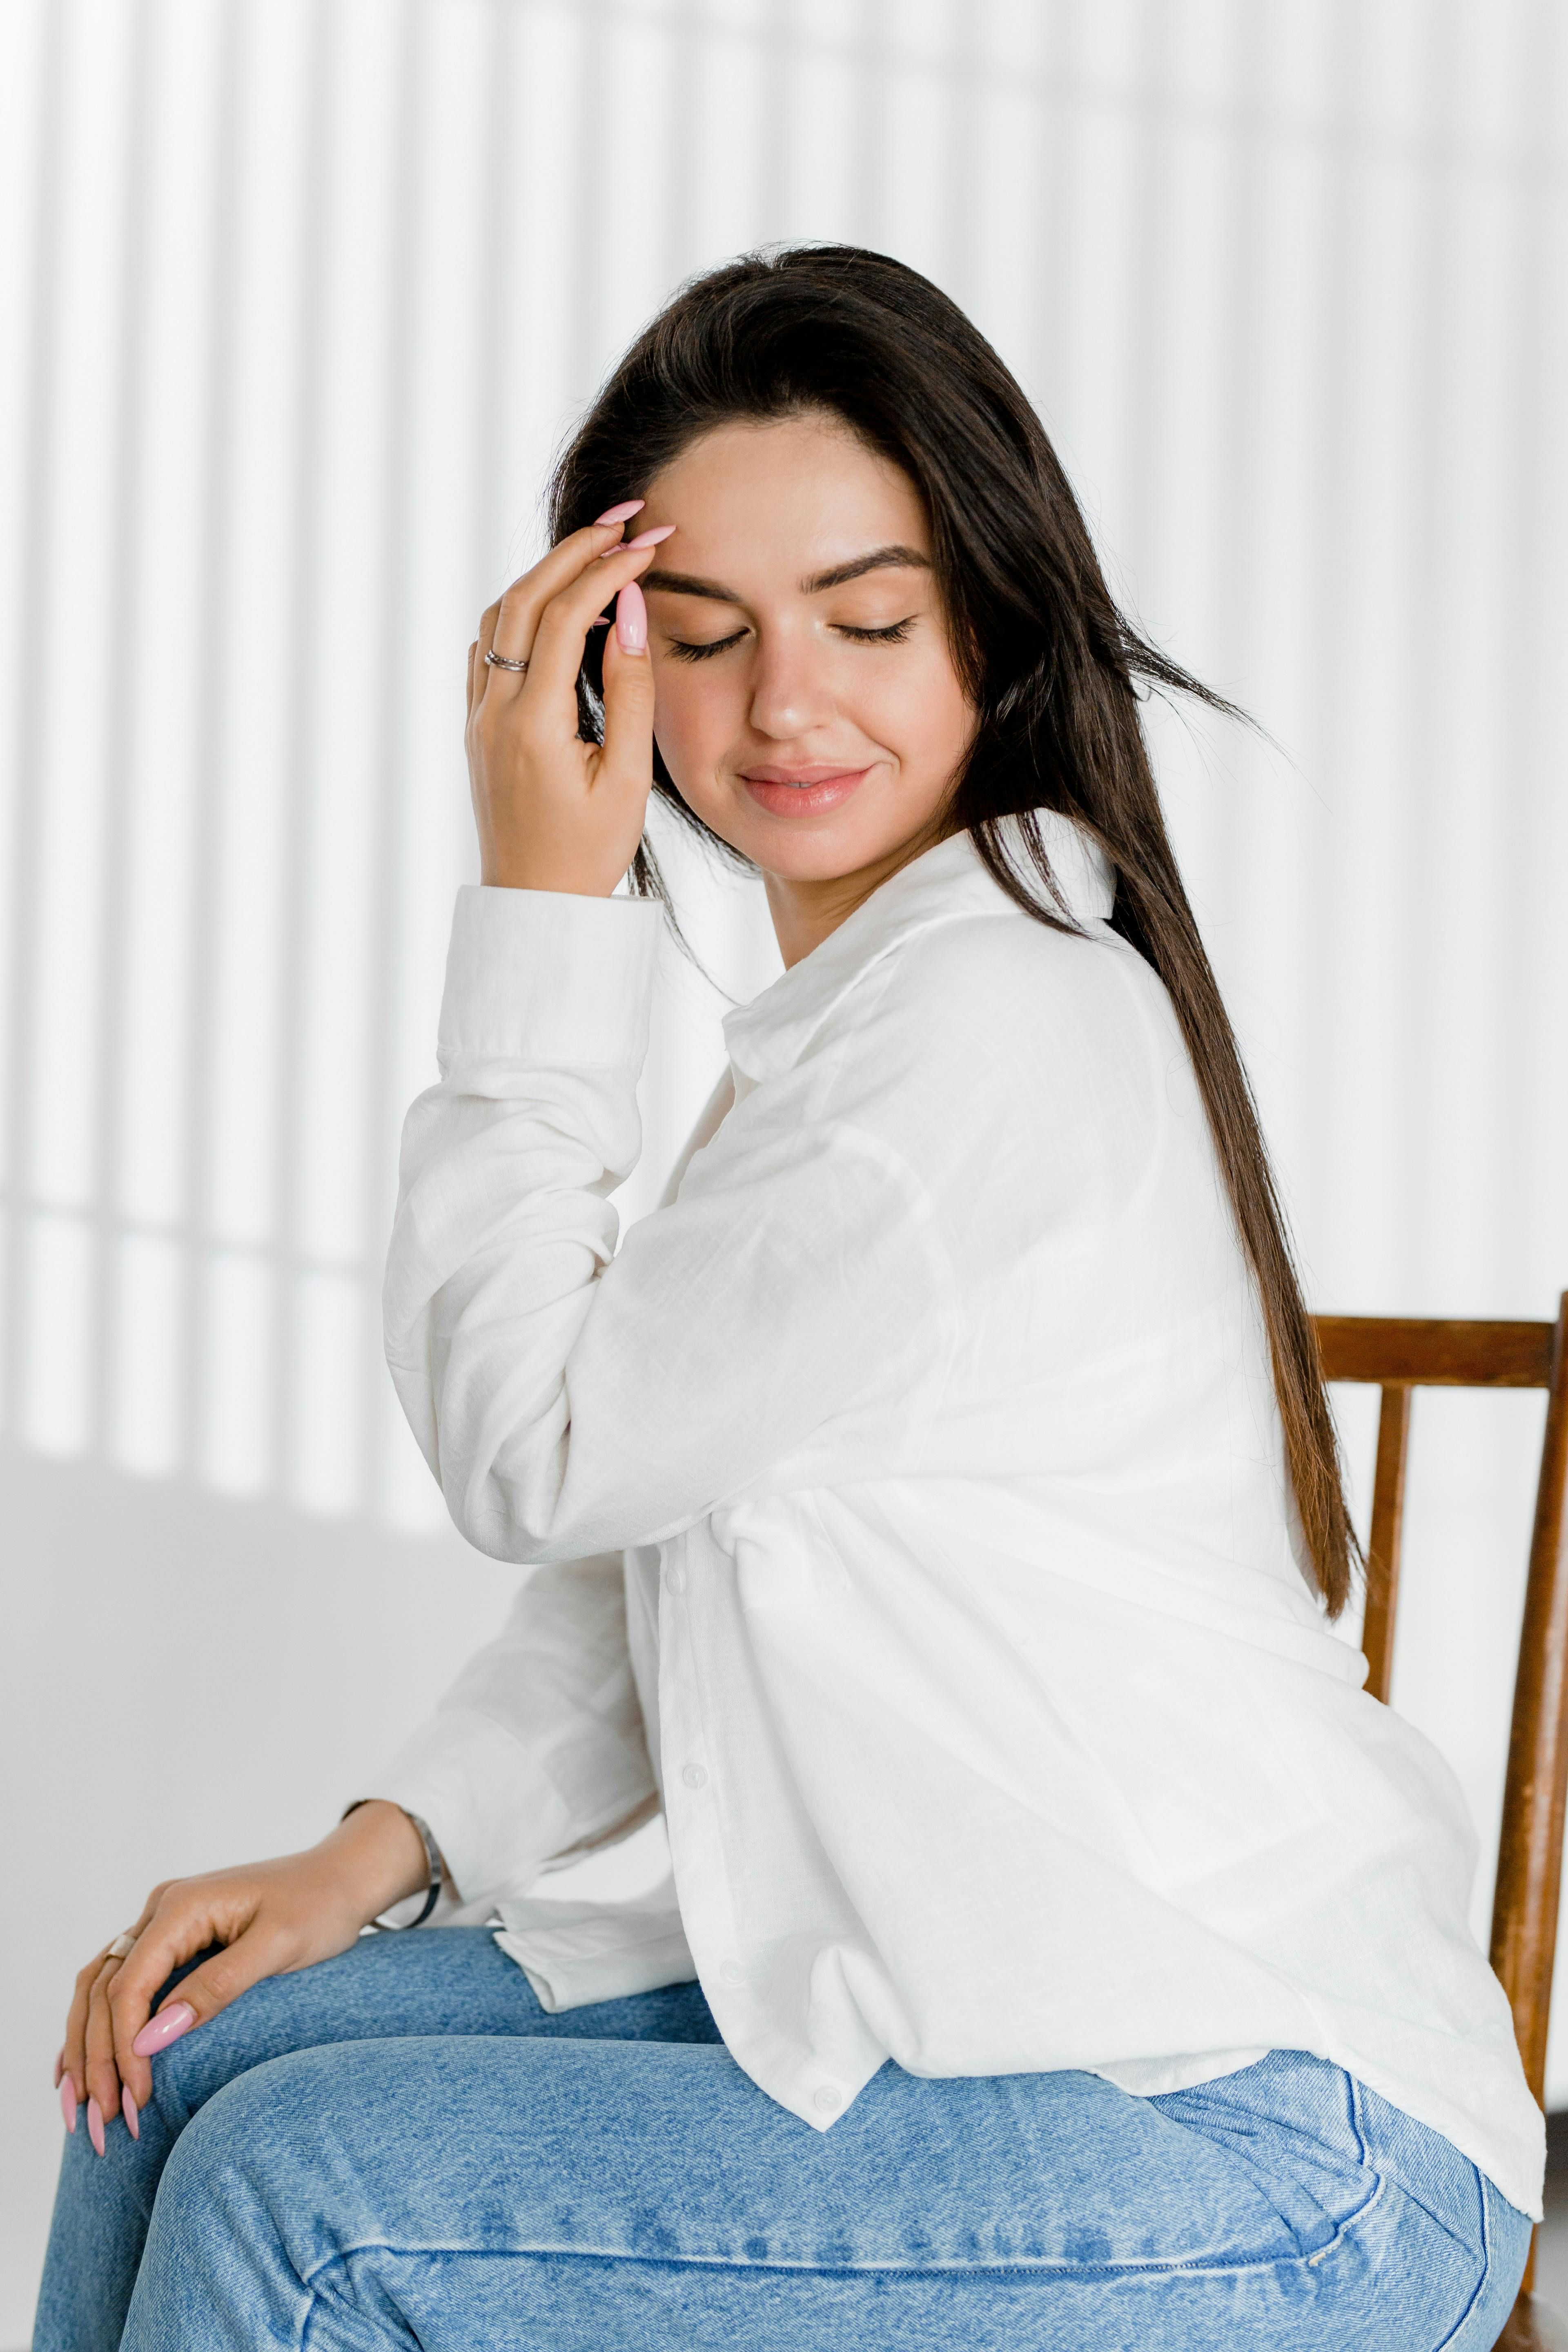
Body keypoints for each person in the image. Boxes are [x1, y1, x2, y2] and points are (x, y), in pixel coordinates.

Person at [37, 245, 1539, 2352]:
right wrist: (375, 1851)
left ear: (990, 627)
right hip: (976, 2003)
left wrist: (538, 912)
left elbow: (544, 1453)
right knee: (181, 2067)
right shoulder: (861, 1014)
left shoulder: (997, 1014)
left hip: (1252, 2129)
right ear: (605, 664)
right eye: (707, 639)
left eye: (869, 620)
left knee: (313, 2207)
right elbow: (669, 1542)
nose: (785, 708)